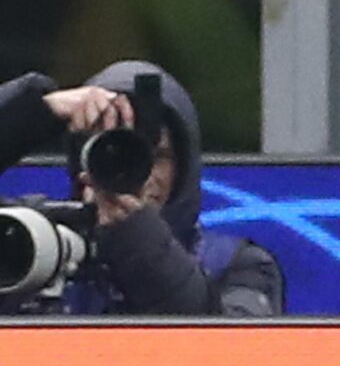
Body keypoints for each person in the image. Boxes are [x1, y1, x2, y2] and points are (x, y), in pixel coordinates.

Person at [0, 61, 281, 316]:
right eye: (111, 154)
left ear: (183, 167)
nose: (140, 175)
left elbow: (231, 348)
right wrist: (36, 111)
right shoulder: (25, 241)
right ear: (81, 162)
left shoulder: (237, 265)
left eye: (157, 157)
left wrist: (135, 234)